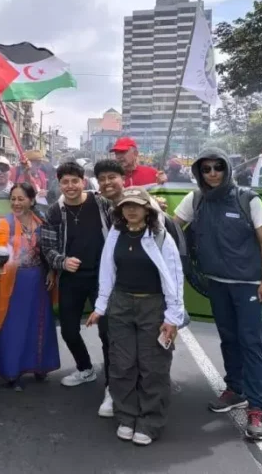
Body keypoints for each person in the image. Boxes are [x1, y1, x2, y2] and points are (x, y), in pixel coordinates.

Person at [172, 147, 262, 441]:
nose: (213, 173)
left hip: (247, 284)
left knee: (251, 342)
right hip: (215, 283)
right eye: (206, 169)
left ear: (227, 169)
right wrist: (150, 209)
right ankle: (235, 390)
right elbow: (172, 227)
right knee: (229, 338)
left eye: (218, 167)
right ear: (199, 173)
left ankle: (256, 408)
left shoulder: (247, 199)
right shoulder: (196, 199)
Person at [87, 187, 184, 446]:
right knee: (122, 364)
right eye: (126, 206)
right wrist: (100, 307)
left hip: (153, 307)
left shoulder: (160, 236)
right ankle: (126, 415)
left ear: (147, 209)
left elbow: (174, 278)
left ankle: (150, 420)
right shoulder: (116, 234)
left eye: (137, 206)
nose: (131, 210)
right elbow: (107, 271)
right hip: (120, 306)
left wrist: (173, 317)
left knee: (153, 366)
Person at [42, 161, 112, 414]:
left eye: (74, 181)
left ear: (83, 181)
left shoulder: (101, 204)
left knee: (108, 332)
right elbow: (46, 247)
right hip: (71, 278)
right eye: (65, 182)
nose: (70, 186)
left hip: (102, 278)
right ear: (59, 184)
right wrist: (62, 261)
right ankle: (85, 368)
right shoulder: (54, 211)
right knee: (69, 330)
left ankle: (113, 386)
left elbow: (125, 223)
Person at [0, 182, 59, 389]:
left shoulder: (41, 222)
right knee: (14, 326)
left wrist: (50, 270)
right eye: (13, 199)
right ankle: (12, 371)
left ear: (31, 200)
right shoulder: (5, 224)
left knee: (39, 324)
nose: (16, 203)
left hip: (38, 280)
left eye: (21, 199)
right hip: (14, 281)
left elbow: (49, 250)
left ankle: (39, 366)